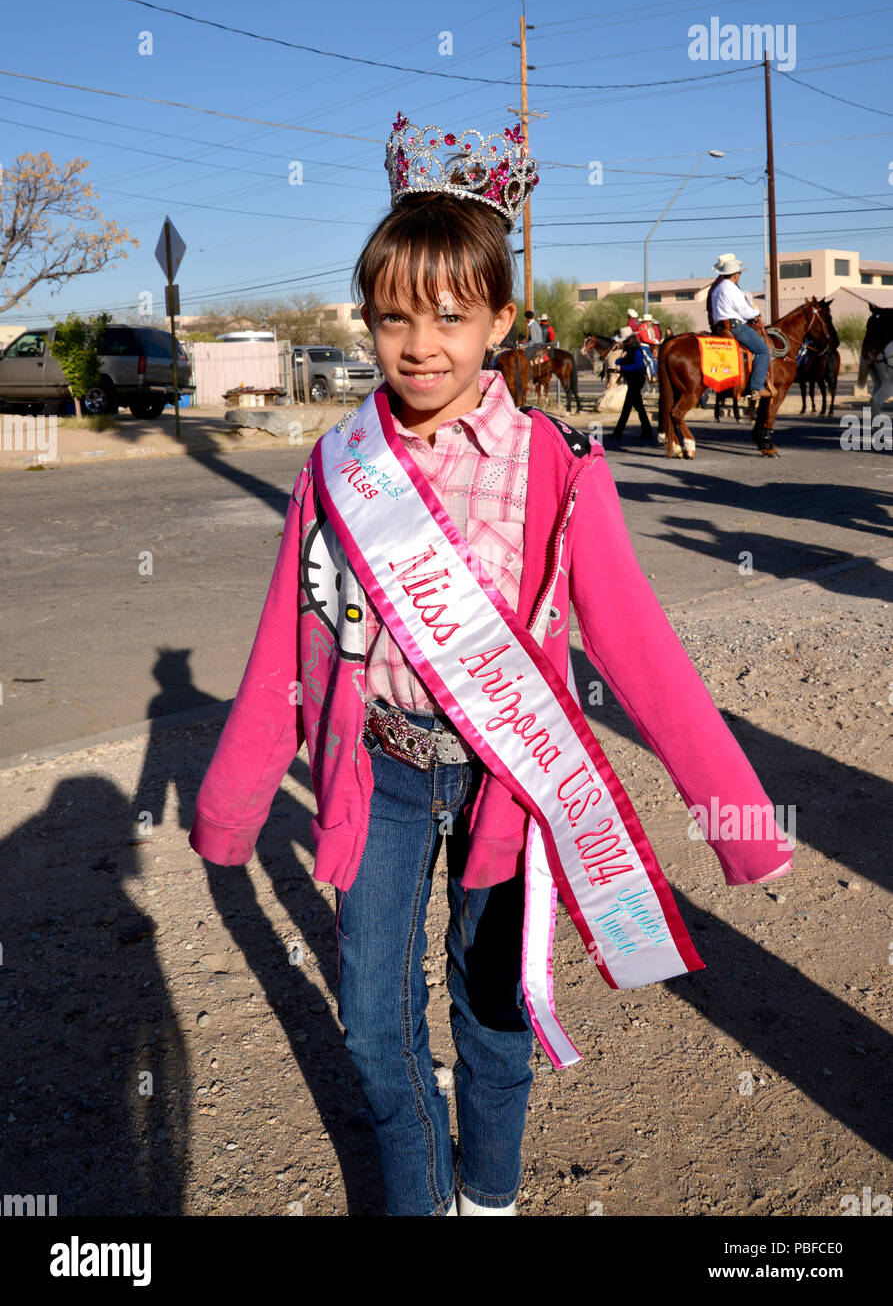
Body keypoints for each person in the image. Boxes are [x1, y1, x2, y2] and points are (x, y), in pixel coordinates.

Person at [188, 109, 794, 1218]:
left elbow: (637, 648)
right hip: (379, 775)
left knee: (493, 1011)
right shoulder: (338, 464)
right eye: (390, 319)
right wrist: (232, 806)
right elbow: (286, 639)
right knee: (373, 1021)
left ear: (501, 319)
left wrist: (736, 815)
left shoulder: (559, 466)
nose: (418, 345)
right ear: (364, 321)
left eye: (449, 317)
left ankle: (490, 1196)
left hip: (510, 784)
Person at [706, 253, 772, 399]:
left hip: (720, 327)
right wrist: (756, 314)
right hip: (735, 327)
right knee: (763, 351)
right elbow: (743, 310)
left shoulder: (717, 289)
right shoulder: (732, 288)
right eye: (739, 273)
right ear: (735, 275)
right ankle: (757, 387)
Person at [609, 327, 653, 442]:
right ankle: (646, 431)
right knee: (637, 407)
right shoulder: (628, 349)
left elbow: (638, 366)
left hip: (636, 380)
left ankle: (618, 432)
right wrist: (621, 359)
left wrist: (622, 367)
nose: (623, 342)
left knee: (628, 407)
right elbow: (618, 362)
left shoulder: (636, 350)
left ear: (630, 339)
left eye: (624, 340)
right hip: (632, 380)